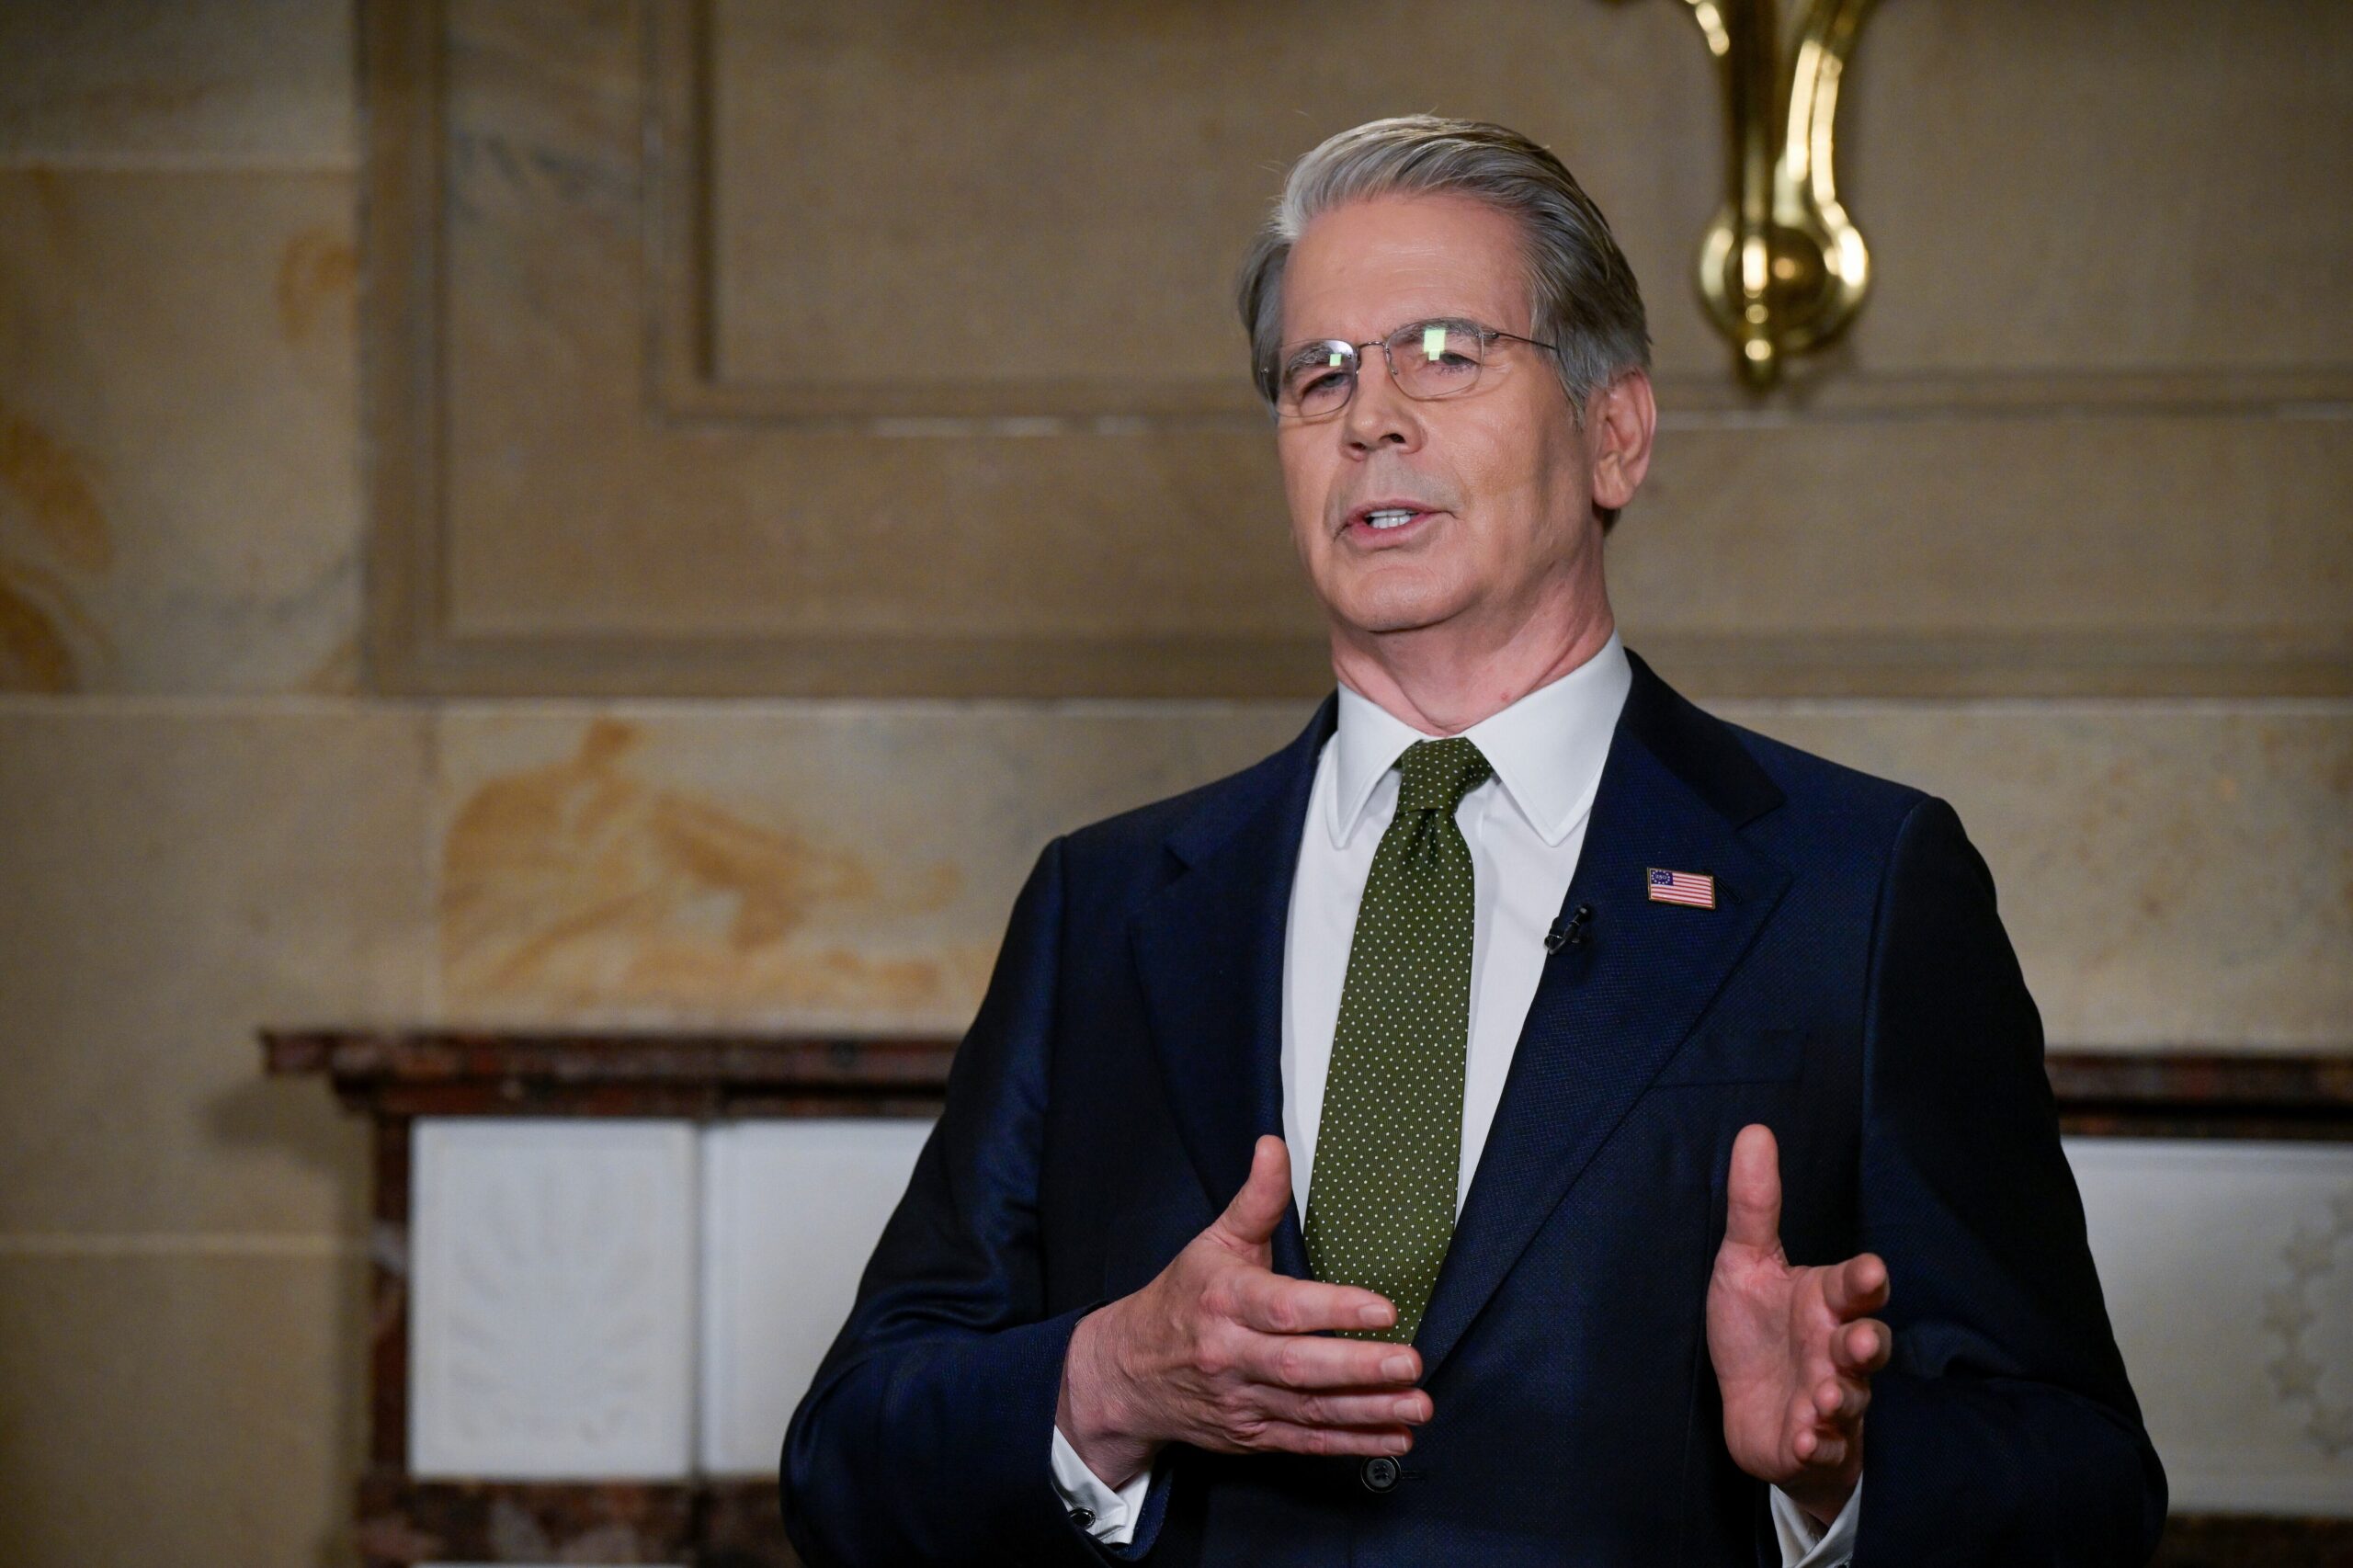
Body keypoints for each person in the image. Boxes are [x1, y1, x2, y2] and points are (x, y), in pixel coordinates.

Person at [779, 116, 2164, 1566]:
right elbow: (847, 1460)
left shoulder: (1857, 888)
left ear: (1615, 432)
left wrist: (1839, 1473)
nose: (1369, 415)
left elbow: (2084, 1484)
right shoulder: (1107, 905)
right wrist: (1111, 1381)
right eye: (1320, 373)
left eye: (1444, 351)